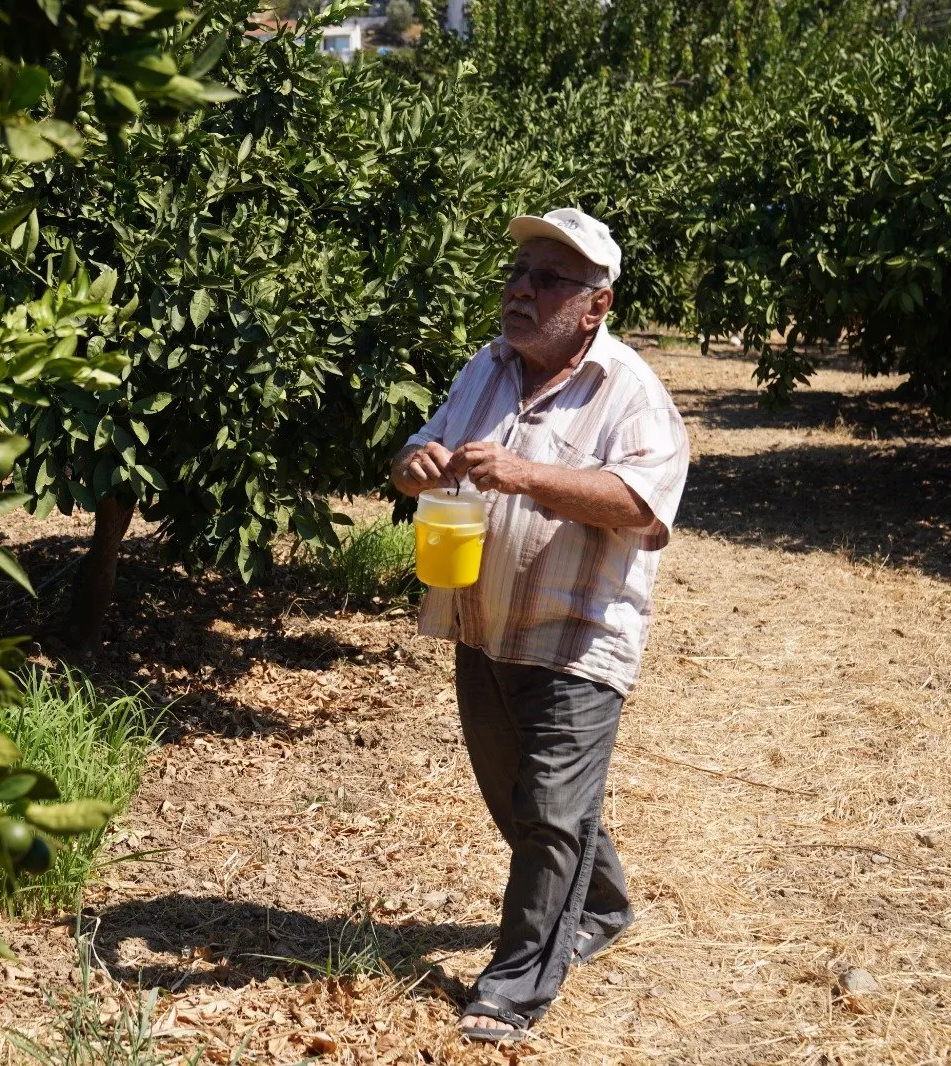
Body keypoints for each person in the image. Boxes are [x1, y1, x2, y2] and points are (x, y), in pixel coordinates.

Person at [389, 208, 690, 1044]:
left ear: (596, 304)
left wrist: (527, 474)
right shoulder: (484, 370)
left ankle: (515, 983)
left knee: (552, 807)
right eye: (517, 273)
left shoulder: (629, 391)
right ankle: (605, 903)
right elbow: (426, 448)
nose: (521, 290)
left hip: (578, 631)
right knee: (520, 797)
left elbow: (641, 503)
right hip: (481, 620)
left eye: (548, 279)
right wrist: (414, 463)